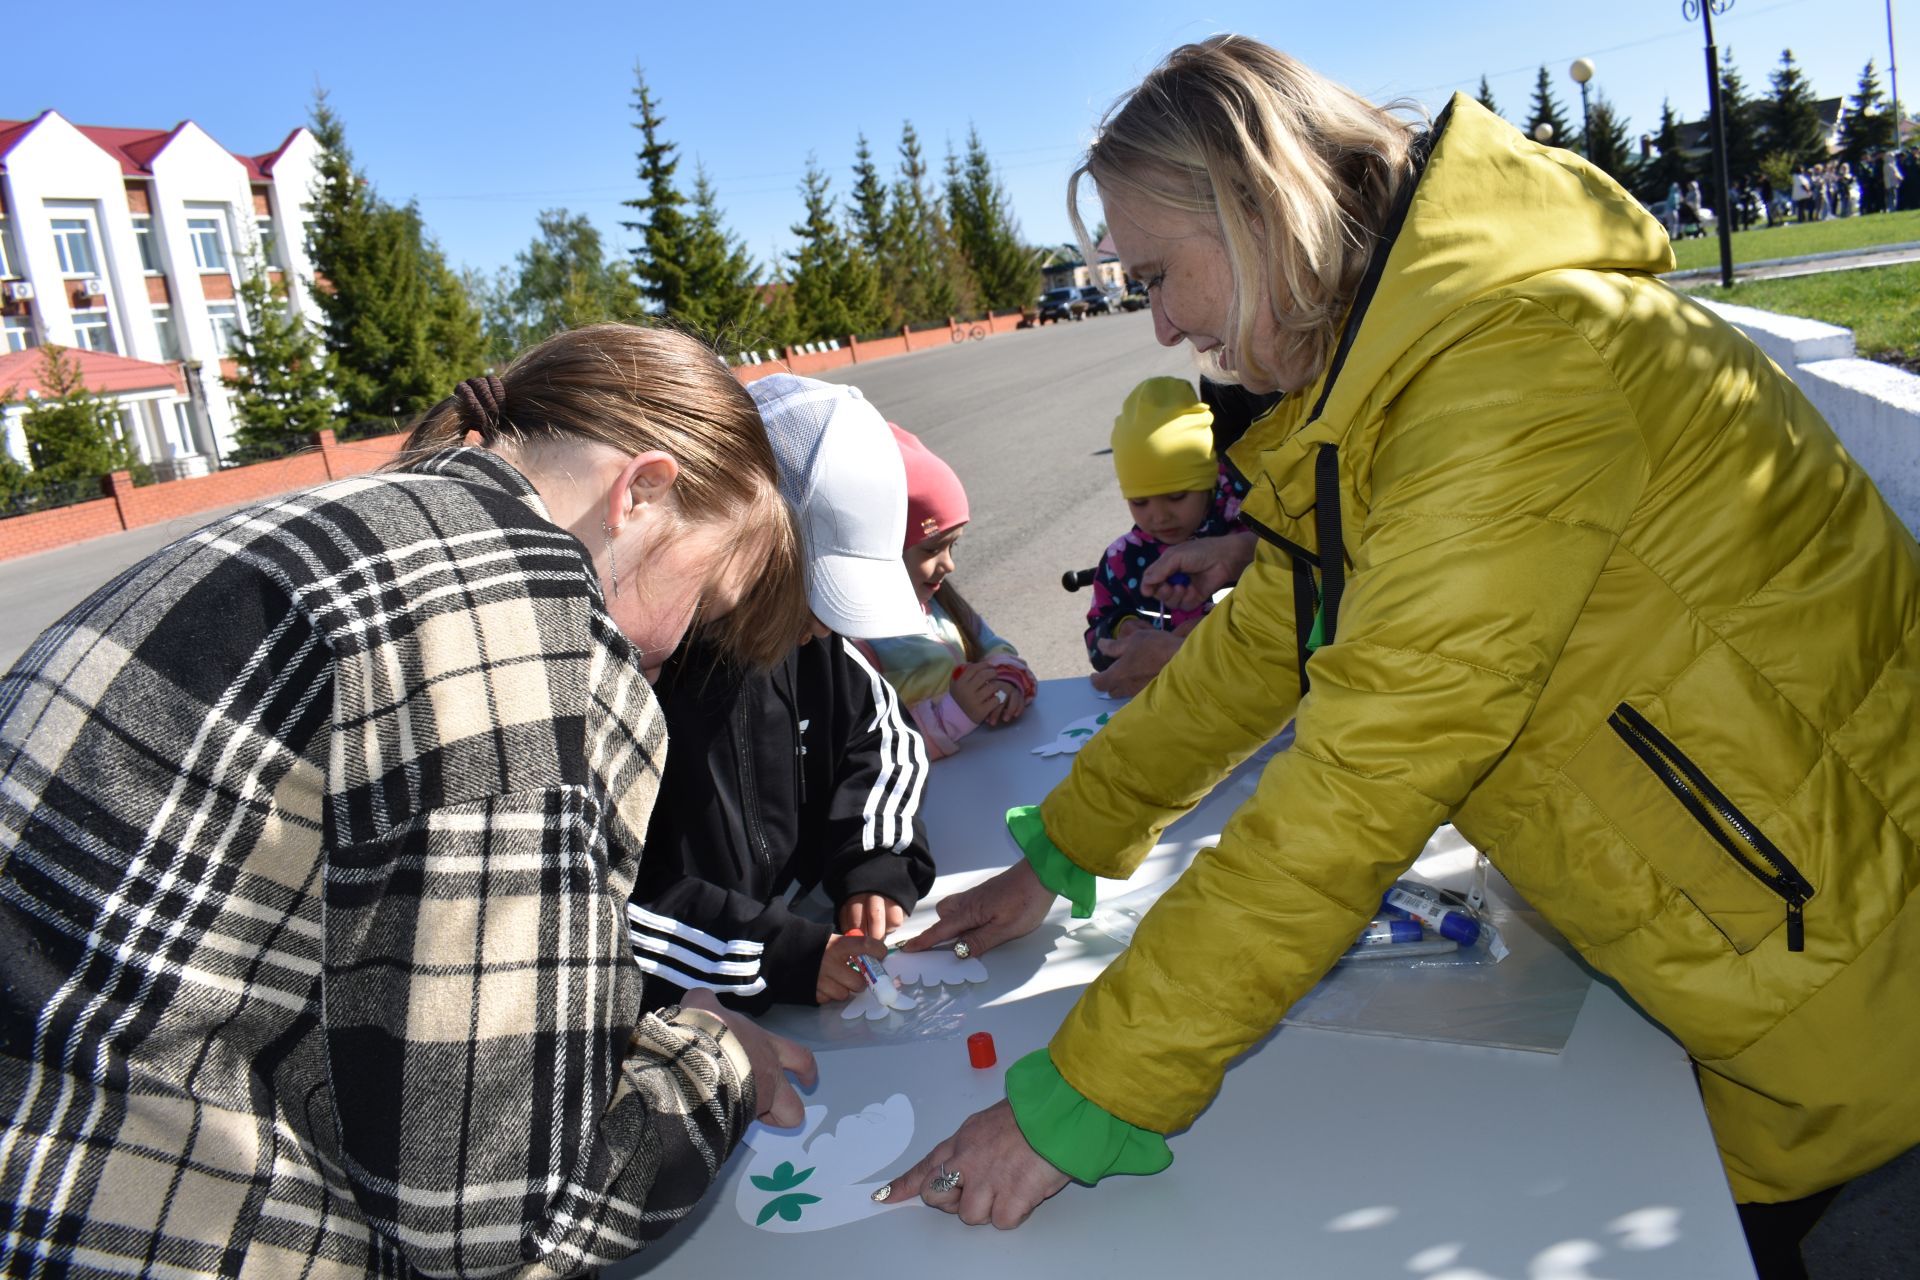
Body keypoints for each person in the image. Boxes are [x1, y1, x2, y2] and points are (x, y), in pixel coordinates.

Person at [883, 37, 1920, 1280]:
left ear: (1263, 207)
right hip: (1760, 936)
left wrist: (1084, 1096)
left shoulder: (1513, 375)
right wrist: (1059, 849)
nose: (1157, 323)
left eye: (1161, 274)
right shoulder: (1396, 385)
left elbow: (1361, 776)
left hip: (1849, 959)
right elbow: (1267, 642)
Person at [0, 324, 821, 1276]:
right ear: (640, 491)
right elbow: (494, 1213)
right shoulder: (514, 616)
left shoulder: (325, 523)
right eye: (704, 599)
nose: (673, 650)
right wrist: (708, 1065)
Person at [628, 373, 938, 1012]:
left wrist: (875, 860)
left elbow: (885, 738)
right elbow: (604, 903)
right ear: (738, 541)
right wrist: (768, 954)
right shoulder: (637, 675)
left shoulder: (813, 641)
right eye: (814, 594)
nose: (826, 625)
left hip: (789, 939)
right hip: (688, 1006)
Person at [864, 424, 1036, 759]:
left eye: (952, 548)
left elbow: (997, 648)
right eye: (931, 551)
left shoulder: (942, 604)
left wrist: (1007, 683)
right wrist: (955, 715)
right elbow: (871, 745)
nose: (949, 565)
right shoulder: (859, 641)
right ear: (880, 552)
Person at [1084, 377, 1246, 670]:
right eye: (1139, 502)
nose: (1158, 517)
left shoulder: (1251, 533)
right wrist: (1122, 630)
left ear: (1209, 481)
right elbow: (1097, 642)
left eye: (1176, 496)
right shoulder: (1122, 560)